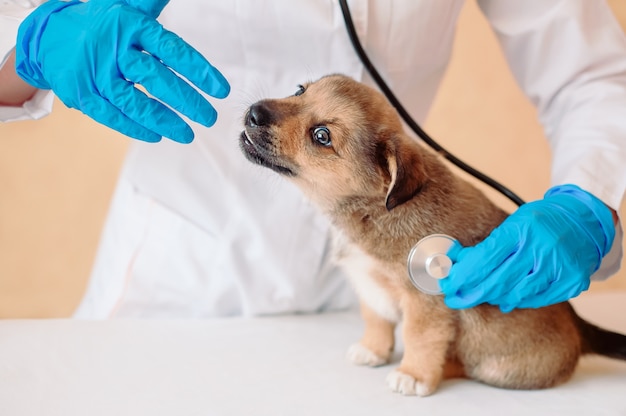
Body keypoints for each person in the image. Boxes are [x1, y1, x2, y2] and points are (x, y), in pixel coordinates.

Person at [0, 0, 624, 318]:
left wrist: (587, 200)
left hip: (372, 296)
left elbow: (591, 74)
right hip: (175, 281)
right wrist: (32, 40)